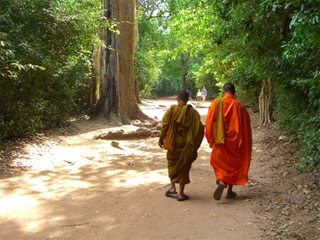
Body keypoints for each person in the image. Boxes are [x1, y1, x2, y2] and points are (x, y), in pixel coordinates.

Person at [205, 83, 252, 200]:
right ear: (234, 93)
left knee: (218, 163)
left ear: (223, 91)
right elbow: (246, 127)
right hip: (235, 142)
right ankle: (230, 191)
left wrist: (211, 138)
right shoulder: (239, 106)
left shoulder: (217, 103)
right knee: (233, 165)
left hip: (220, 140)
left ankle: (221, 181)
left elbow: (210, 122)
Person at [159, 90, 204, 201]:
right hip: (186, 144)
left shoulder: (172, 110)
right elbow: (199, 129)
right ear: (188, 99)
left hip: (173, 143)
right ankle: (181, 194)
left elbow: (165, 125)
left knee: (172, 164)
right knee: (184, 166)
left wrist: (161, 138)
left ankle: (172, 188)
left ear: (177, 99)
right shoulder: (192, 113)